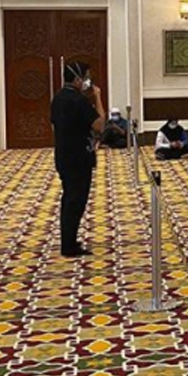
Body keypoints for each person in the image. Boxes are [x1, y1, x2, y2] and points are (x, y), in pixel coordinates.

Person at [50, 61, 105, 257]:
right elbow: (99, 124)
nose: (88, 81)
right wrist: (97, 97)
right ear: (77, 78)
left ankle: (69, 240)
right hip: (79, 157)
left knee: (69, 199)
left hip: (63, 155)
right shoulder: (79, 100)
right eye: (86, 76)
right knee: (76, 201)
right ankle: (69, 246)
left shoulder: (58, 98)